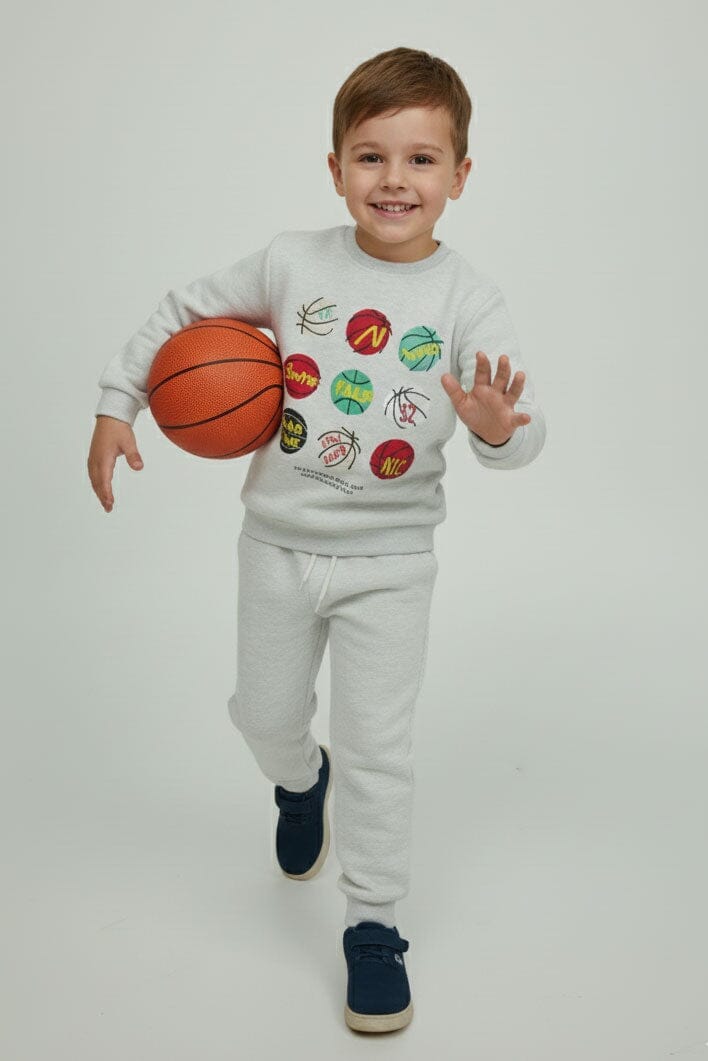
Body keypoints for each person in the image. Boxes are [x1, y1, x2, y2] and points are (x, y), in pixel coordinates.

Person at [87, 46, 547, 1034]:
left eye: (421, 159)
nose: (394, 180)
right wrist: (120, 400)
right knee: (262, 714)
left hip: (393, 562)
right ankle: (301, 780)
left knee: (381, 746)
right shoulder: (292, 263)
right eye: (370, 156)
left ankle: (374, 923)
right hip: (277, 544)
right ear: (335, 167)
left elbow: (521, 428)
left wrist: (499, 430)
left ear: (461, 174)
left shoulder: (469, 299)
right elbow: (182, 311)